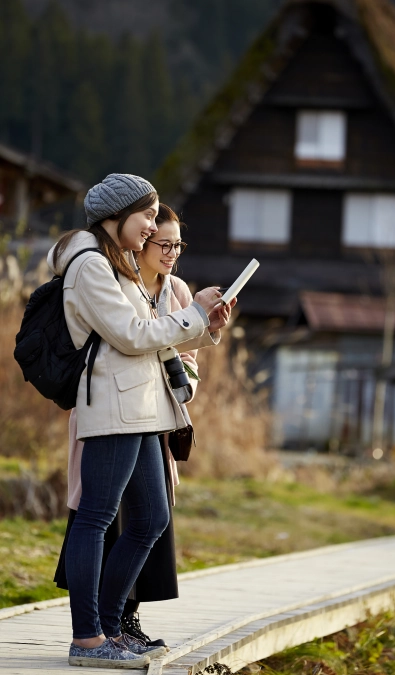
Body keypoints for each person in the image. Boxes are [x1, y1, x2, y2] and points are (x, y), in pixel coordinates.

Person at [48, 173, 235, 669]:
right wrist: (192, 310)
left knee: (151, 518)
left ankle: (110, 627)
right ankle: (87, 639)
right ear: (118, 215)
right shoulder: (90, 265)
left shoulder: (120, 263)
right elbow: (132, 335)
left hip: (141, 406)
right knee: (94, 518)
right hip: (112, 405)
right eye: (148, 215)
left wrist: (204, 326)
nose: (153, 227)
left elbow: (151, 336)